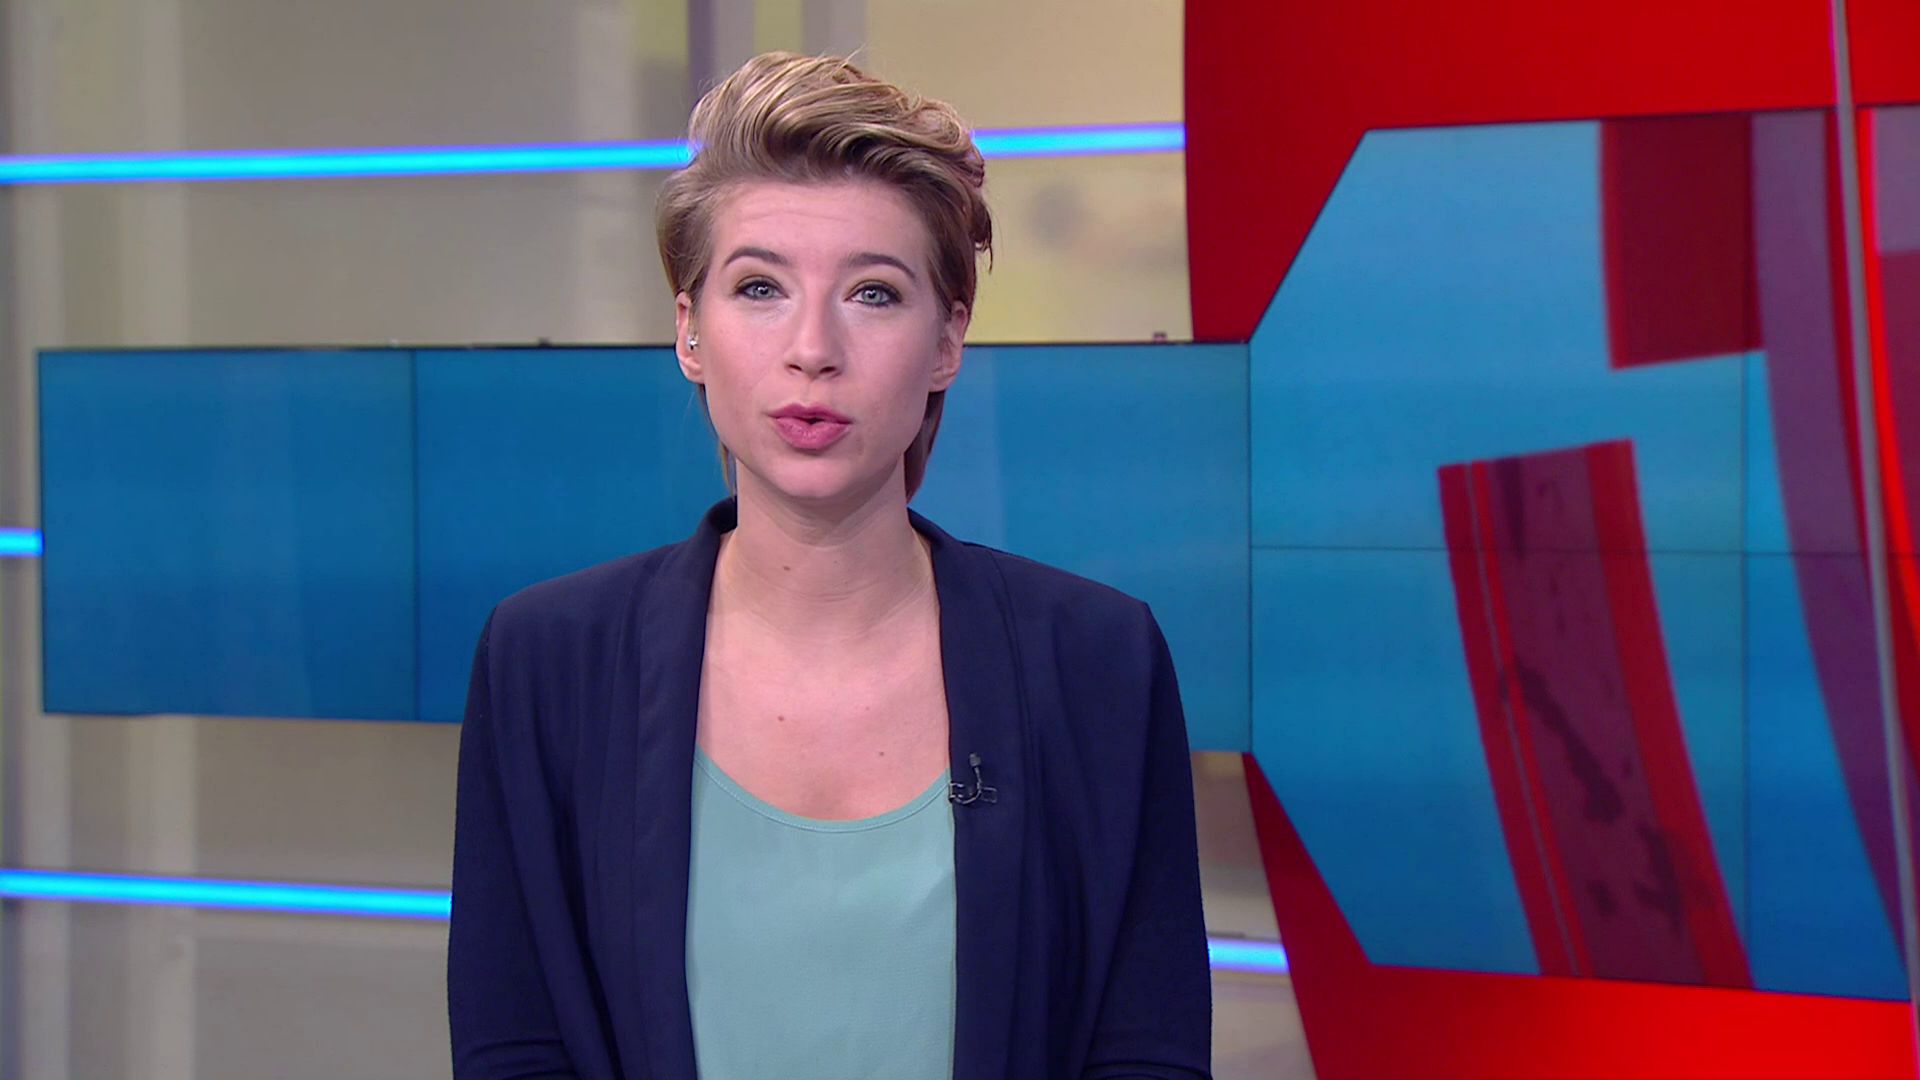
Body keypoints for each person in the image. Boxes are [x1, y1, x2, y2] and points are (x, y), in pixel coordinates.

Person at [447, 51, 1212, 1080]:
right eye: (760, 287)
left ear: (947, 342)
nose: (813, 347)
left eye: (873, 294)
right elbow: (515, 1046)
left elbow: (1148, 1049)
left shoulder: (1097, 660)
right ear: (689, 332)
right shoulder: (547, 661)